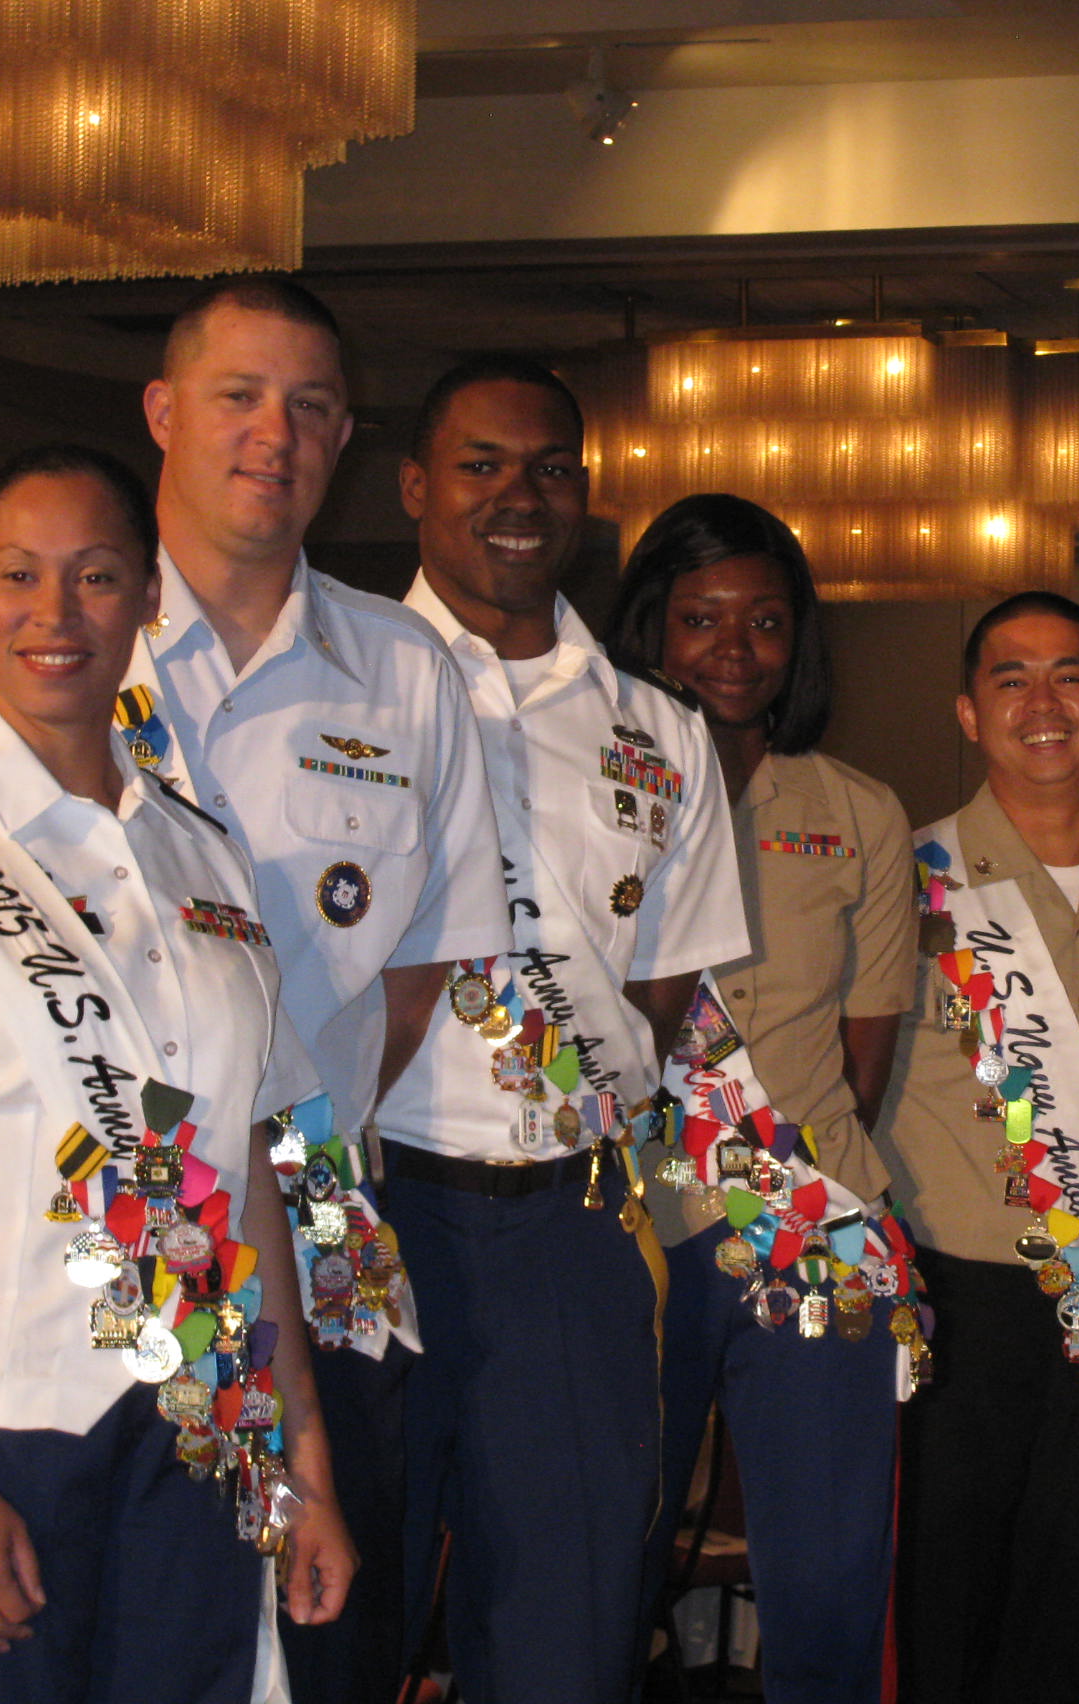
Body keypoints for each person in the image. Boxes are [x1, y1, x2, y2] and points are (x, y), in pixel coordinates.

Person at [0, 277, 511, 1704]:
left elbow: (404, 987)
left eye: (309, 405)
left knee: (295, 1655)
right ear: (166, 411)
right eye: (238, 395)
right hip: (12, 1357)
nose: (271, 434)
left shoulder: (365, 700)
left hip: (270, 1280)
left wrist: (300, 1440)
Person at [0, 445, 354, 1701]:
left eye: (94, 577)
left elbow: (246, 1170)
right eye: (19, 575)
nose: (55, 613)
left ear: (147, 598)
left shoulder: (199, 855)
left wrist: (300, 1455)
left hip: (200, 1415)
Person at [374, 363, 746, 1701]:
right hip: (375, 1205)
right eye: (480, 465)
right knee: (339, 1611)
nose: (518, 497)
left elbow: (660, 995)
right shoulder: (337, 692)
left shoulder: (657, 729)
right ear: (414, 487)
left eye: (550, 468)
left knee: (568, 1632)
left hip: (572, 1231)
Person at [875, 590, 1079, 1704]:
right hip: (945, 1304)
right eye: (1009, 678)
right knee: (935, 1606)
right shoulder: (900, 882)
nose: (1042, 702)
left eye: (1071, 676)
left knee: (1067, 1600)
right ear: (968, 713)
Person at [604, 492, 916, 1703]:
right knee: (606, 1558)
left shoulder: (856, 810)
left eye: (766, 622)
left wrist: (783, 1179)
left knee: (828, 1576)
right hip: (631, 1220)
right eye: (700, 618)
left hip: (809, 1220)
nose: (734, 650)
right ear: (650, 628)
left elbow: (864, 1054)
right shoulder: (586, 792)